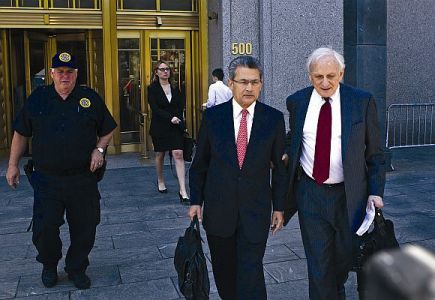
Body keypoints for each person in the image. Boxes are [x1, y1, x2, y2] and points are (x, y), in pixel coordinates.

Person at [5, 52, 117, 289]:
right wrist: (12, 165)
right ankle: (49, 264)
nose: (65, 76)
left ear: (76, 74)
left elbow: (108, 128)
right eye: (60, 71)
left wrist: (99, 150)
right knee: (44, 228)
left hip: (82, 179)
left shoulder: (89, 98)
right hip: (47, 179)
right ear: (52, 74)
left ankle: (76, 267)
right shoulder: (39, 98)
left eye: (70, 72)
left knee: (85, 227)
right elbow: (21, 132)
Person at [282, 47, 386, 299]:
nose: (325, 82)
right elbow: (294, 138)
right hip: (311, 195)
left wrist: (375, 192)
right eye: (319, 77)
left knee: (343, 260)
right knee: (319, 266)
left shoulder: (362, 101)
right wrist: (284, 153)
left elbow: (375, 154)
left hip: (350, 197)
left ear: (341, 73)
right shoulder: (297, 102)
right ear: (310, 76)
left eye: (331, 75)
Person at [189, 55, 288, 299]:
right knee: (224, 273)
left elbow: (281, 169)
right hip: (219, 211)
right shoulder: (213, 118)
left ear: (261, 84)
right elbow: (199, 163)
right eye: (243, 82)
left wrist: (280, 207)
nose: (249, 88)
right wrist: (195, 201)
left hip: (255, 211)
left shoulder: (273, 119)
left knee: (251, 272)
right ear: (231, 83)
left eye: (255, 82)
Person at [148, 60, 189, 204]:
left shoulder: (175, 87)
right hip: (160, 126)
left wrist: (178, 118)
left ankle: (183, 190)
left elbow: (180, 105)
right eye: (162, 69)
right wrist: (170, 117)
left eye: (167, 69)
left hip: (175, 126)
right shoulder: (152, 89)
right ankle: (160, 180)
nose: (165, 72)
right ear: (156, 72)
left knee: (178, 154)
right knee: (160, 154)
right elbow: (155, 108)